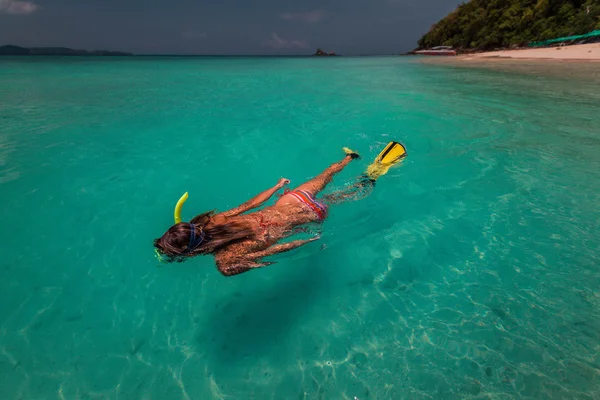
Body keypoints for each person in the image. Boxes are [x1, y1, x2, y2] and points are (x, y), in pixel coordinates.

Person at [154, 149, 362, 276]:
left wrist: (305, 241)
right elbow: (250, 204)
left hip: (310, 216)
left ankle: (367, 181)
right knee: (325, 175)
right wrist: (276, 186)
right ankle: (349, 158)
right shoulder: (214, 220)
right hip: (291, 200)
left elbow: (273, 252)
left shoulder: (226, 261)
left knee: (340, 197)